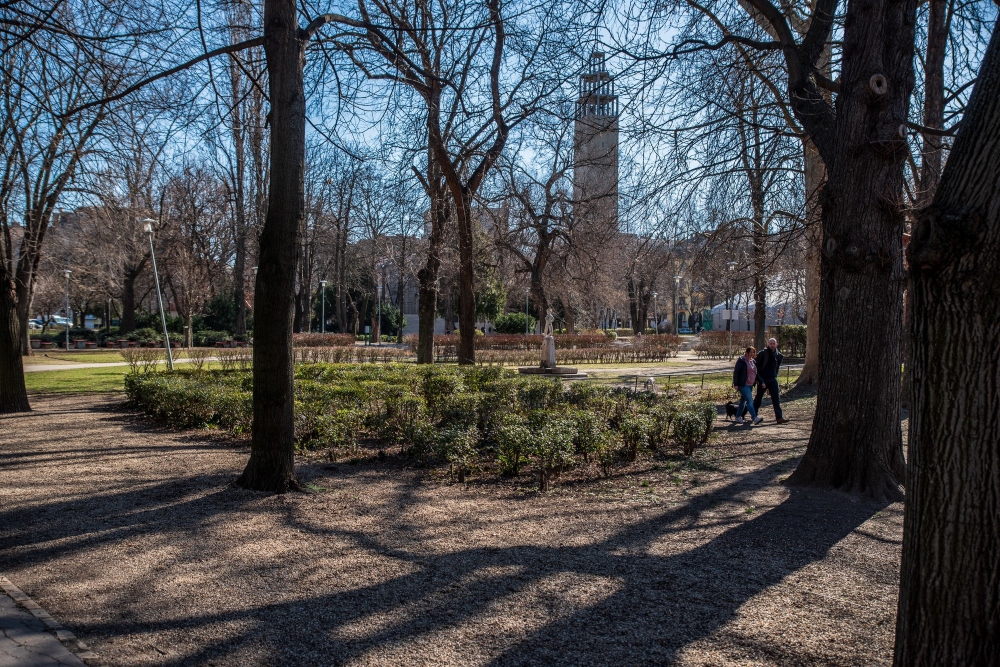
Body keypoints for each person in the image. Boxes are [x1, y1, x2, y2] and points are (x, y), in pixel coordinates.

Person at [754, 338, 789, 424]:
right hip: (763, 379)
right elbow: (755, 367)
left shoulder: (778, 355)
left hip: (773, 379)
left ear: (776, 344)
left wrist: (775, 376)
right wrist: (758, 379)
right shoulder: (762, 354)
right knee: (758, 398)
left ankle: (779, 417)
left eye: (774, 343)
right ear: (767, 344)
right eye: (770, 343)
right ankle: (754, 415)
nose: (772, 345)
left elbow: (777, 368)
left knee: (776, 398)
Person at [733, 346, 764, 425]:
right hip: (743, 384)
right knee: (750, 401)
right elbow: (736, 372)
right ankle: (754, 418)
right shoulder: (742, 360)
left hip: (750, 384)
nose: (752, 354)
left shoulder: (753, 361)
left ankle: (738, 416)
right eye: (750, 352)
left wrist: (762, 382)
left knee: (743, 401)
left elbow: (755, 374)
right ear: (746, 352)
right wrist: (736, 384)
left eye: (753, 352)